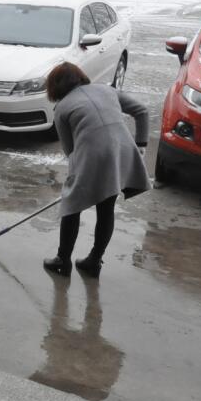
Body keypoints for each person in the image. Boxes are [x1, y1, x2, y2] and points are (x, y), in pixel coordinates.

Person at [43, 62, 151, 278]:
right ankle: (94, 260)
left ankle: (62, 261)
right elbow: (142, 111)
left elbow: (71, 151)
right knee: (106, 206)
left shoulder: (62, 108)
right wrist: (141, 145)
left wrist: (73, 186)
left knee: (71, 207)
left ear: (55, 87)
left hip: (93, 154)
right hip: (121, 151)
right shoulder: (107, 89)